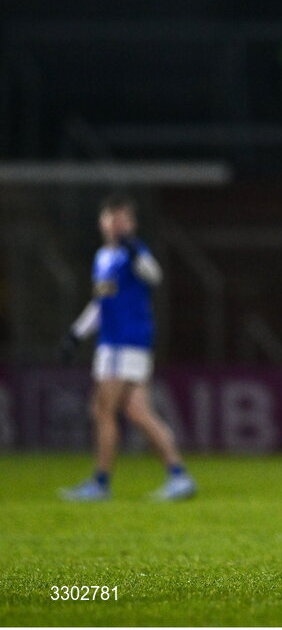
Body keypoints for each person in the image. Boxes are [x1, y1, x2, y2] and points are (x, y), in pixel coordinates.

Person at [59, 194, 197, 502]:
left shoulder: (132, 254)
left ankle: (101, 482)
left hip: (126, 341)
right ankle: (178, 475)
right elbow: (101, 303)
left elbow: (154, 275)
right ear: (103, 222)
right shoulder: (102, 257)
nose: (118, 224)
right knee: (137, 411)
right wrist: (76, 334)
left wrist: (136, 252)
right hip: (112, 341)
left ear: (132, 224)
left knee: (102, 409)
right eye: (113, 217)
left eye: (124, 219)